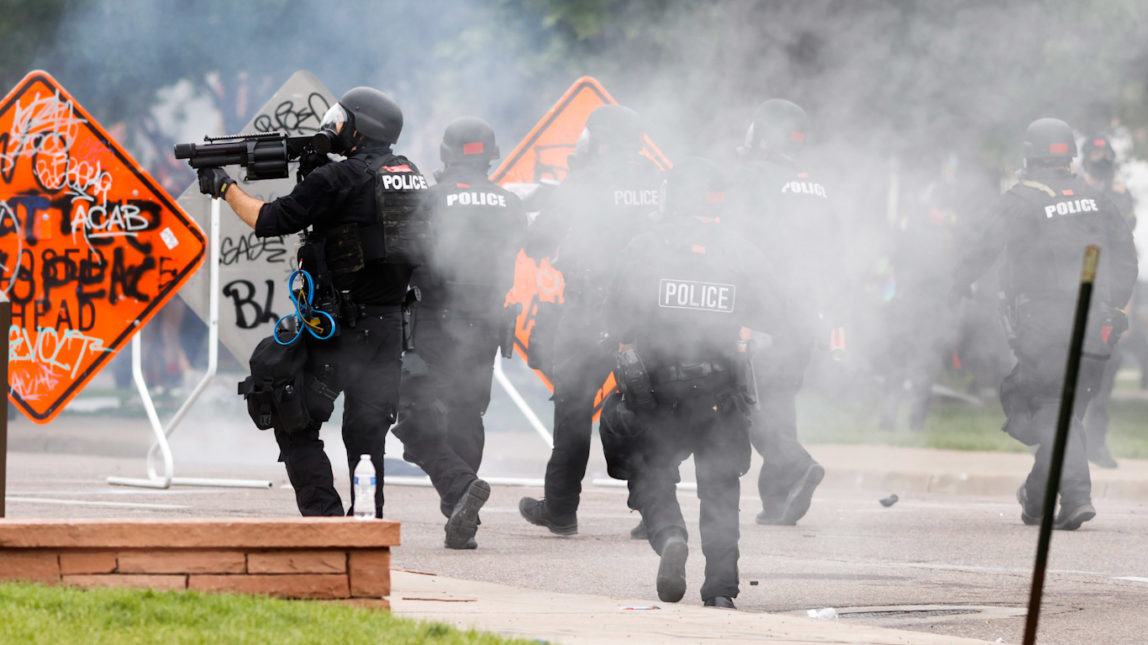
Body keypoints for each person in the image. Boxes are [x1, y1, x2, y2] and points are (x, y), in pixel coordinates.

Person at [199, 86, 431, 522]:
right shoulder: (409, 173)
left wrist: (225, 187)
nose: (334, 126)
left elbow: (268, 219)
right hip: (388, 329)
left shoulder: (338, 179)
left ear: (359, 127)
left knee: (290, 415)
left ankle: (324, 520)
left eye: (342, 120)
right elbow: (364, 221)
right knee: (367, 436)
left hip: (339, 331)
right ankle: (366, 526)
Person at [599, 157, 779, 609]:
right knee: (720, 489)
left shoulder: (645, 246)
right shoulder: (742, 250)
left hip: (658, 392)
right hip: (720, 390)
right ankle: (720, 590)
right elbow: (774, 317)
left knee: (649, 469)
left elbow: (616, 319)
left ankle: (670, 535)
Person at [952, 118, 1138, 530]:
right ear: (1069, 155)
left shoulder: (1020, 199)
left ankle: (1075, 496)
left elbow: (980, 248)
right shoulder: (1096, 199)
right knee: (1064, 413)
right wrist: (1114, 306)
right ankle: (1036, 499)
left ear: (1028, 156)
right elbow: (1127, 256)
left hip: (1045, 323)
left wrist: (954, 284)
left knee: (1044, 407)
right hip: (1096, 323)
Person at [518, 104, 663, 536]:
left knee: (574, 411)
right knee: (643, 408)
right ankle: (656, 511)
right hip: (648, 314)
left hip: (591, 312)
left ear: (599, 139)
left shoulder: (584, 181)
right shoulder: (656, 181)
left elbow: (538, 241)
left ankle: (561, 509)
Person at [390, 116, 527, 548]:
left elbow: (405, 256)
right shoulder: (511, 204)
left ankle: (459, 489)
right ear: (489, 157)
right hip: (485, 323)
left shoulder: (430, 200)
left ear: (447, 155)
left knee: (413, 415)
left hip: (435, 320)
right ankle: (460, 518)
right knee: (467, 414)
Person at [727, 99, 842, 526]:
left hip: (762, 312)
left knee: (751, 401)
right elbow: (837, 252)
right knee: (778, 401)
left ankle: (796, 464)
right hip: (804, 313)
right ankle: (778, 502)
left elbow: (734, 243)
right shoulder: (816, 185)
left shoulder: (750, 179)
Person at [1079, 134, 1138, 469]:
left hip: (1108, 291)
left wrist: (1124, 308)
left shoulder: (1119, 195)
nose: (1101, 160)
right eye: (1096, 154)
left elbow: (1126, 252)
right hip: (1074, 289)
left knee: (1106, 369)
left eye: (1106, 155)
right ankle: (1059, 443)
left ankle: (1096, 444)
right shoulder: (1074, 192)